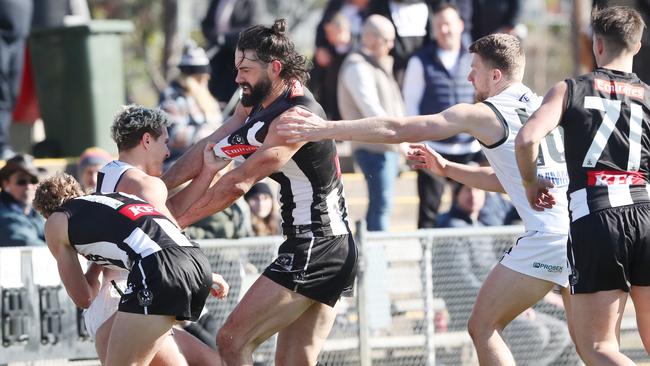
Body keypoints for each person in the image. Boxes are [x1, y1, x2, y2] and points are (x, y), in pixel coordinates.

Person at [277, 33, 573, 365]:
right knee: (596, 347)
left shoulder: (486, 114)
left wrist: (323, 128)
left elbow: (397, 129)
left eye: (474, 68)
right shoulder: (542, 109)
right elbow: (510, 180)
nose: (468, 76)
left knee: (483, 327)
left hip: (548, 237)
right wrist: (446, 167)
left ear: (495, 76)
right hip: (580, 231)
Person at [161, 19, 357, 365]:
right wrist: (158, 190)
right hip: (323, 245)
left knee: (232, 340)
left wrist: (173, 223)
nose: (238, 78)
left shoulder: (295, 116)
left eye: (246, 69)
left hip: (319, 245)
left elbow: (239, 182)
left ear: (275, 68)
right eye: (237, 68)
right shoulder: (256, 100)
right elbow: (210, 145)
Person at [515, 6, 649, 365]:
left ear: (597, 46)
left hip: (598, 218)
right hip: (646, 212)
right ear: (637, 46)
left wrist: (531, 181)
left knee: (599, 348)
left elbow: (527, 139)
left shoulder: (570, 89)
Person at [32, 173, 228, 366]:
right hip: (196, 260)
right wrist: (209, 276)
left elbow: (84, 297)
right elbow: (160, 234)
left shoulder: (56, 221)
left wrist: (94, 268)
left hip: (157, 270)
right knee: (106, 336)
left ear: (45, 214)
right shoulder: (117, 196)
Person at [88, 105, 229, 365]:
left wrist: (207, 172)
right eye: (164, 142)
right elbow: (174, 239)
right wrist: (207, 275)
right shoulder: (143, 184)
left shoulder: (108, 173)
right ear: (146, 140)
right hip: (128, 296)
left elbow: (171, 212)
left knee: (209, 362)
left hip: (113, 300)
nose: (167, 152)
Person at [402, 3, 481, 228]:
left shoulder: (476, 59)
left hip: (470, 149)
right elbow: (411, 106)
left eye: (448, 24)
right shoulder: (419, 60)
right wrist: (415, 144)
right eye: (439, 25)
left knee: (474, 206)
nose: (444, 30)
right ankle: (427, 261)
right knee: (428, 210)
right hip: (433, 149)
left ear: (461, 26)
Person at [338, 14, 405, 231]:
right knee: (380, 206)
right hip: (373, 148)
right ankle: (376, 260)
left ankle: (374, 256)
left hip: (387, 145)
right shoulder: (357, 66)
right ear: (369, 37)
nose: (391, 45)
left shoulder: (375, 63)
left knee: (381, 206)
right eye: (386, 39)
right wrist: (401, 141)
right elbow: (372, 109)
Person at [159, 41, 222, 165]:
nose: (207, 80)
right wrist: (209, 134)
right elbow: (172, 135)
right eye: (201, 78)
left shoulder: (205, 97)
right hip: (180, 160)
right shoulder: (173, 97)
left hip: (212, 157)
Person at [201, 0, 266, 104]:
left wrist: (226, 38)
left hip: (238, 53)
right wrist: (215, 37)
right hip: (216, 53)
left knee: (232, 89)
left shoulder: (250, 2)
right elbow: (207, 23)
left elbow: (253, 26)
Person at [0, 0, 33, 159]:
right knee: (2, 93)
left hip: (19, 37)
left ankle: (3, 144)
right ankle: (1, 145)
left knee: (12, 93)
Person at [0, 154, 45, 247]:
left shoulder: (35, 212)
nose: (29, 186)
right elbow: (26, 243)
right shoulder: (4, 216)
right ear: (6, 184)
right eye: (21, 181)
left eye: (33, 180)